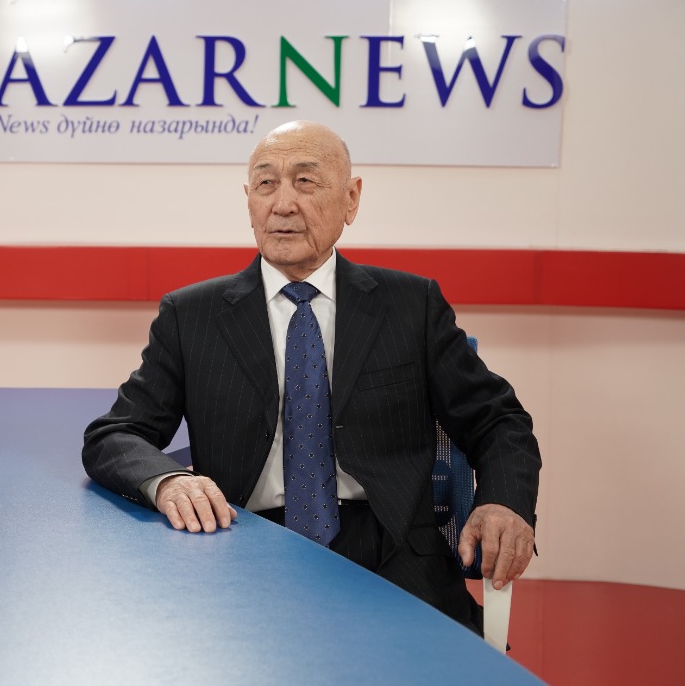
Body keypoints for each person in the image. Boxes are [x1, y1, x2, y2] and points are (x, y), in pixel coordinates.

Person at [82, 120, 540, 633]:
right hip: (242, 549)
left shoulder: (412, 306)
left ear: (351, 199)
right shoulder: (191, 317)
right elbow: (114, 435)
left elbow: (498, 420)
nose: (282, 204)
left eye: (305, 181)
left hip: (393, 557)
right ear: (249, 201)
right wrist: (167, 482)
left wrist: (503, 501)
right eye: (266, 183)